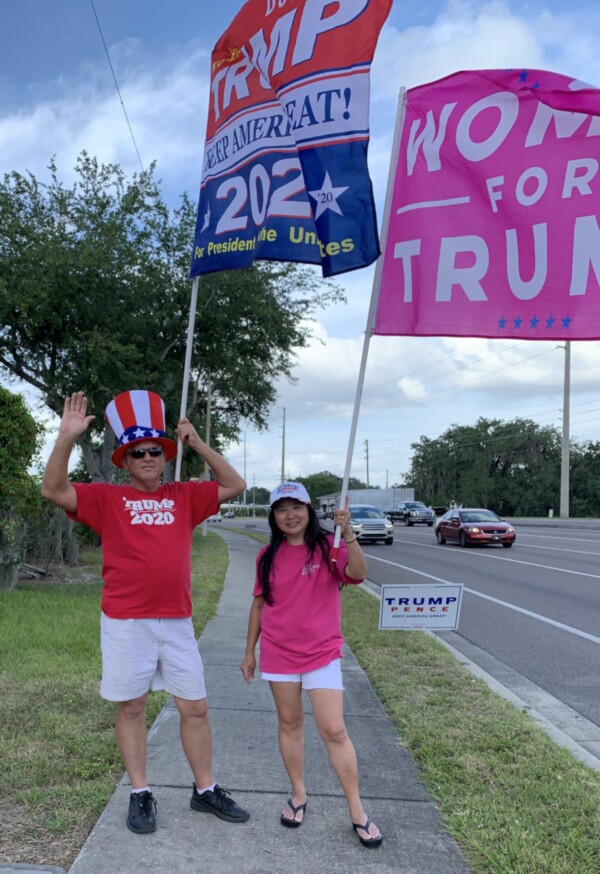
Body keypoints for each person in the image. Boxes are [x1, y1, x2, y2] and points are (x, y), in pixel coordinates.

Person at [42, 390, 250, 835]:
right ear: (125, 461)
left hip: (176, 619)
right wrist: (66, 438)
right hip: (125, 620)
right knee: (132, 705)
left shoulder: (184, 496)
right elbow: (53, 490)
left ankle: (205, 789)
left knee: (195, 706)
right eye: (138, 452)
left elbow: (235, 485)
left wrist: (197, 443)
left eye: (155, 450)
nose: (148, 457)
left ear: (165, 456)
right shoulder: (108, 499)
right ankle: (140, 792)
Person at [240, 482, 383, 848]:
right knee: (289, 724)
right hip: (279, 653)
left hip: (321, 652)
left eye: (297, 507)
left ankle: (357, 810)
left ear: (309, 510)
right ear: (273, 516)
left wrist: (347, 533)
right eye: (281, 509)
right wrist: (249, 651)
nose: (290, 515)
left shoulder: (327, 545)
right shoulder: (266, 556)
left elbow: (357, 573)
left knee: (334, 729)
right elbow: (259, 604)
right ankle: (298, 793)